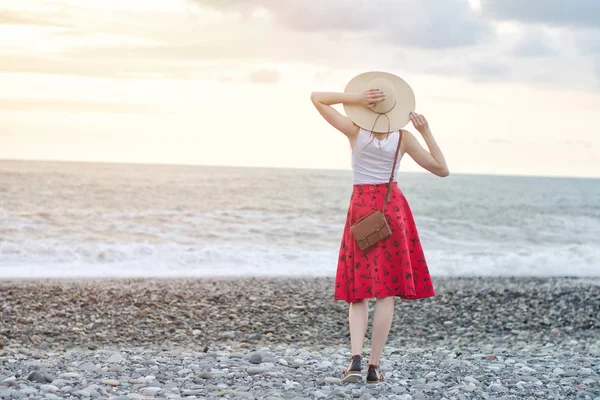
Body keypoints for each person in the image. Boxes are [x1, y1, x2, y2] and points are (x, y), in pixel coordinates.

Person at [310, 71, 449, 384]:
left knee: (357, 292)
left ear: (368, 106)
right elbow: (442, 170)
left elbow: (317, 98)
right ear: (395, 108)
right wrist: (426, 132)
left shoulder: (354, 131)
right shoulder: (403, 137)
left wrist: (355, 100)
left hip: (362, 208)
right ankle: (374, 367)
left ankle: (355, 362)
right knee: (387, 294)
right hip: (392, 210)